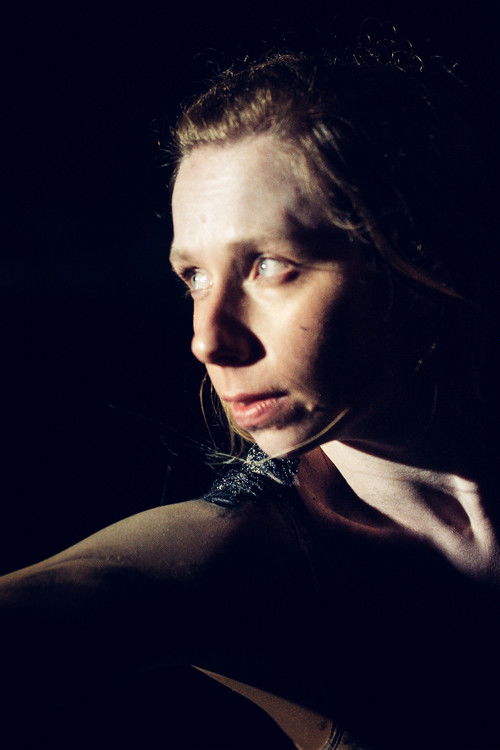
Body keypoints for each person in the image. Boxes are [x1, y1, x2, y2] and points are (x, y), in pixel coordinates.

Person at [1, 36, 499, 750]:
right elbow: (87, 591)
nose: (207, 340)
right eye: (194, 277)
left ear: (421, 257)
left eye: (268, 264)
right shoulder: (242, 558)